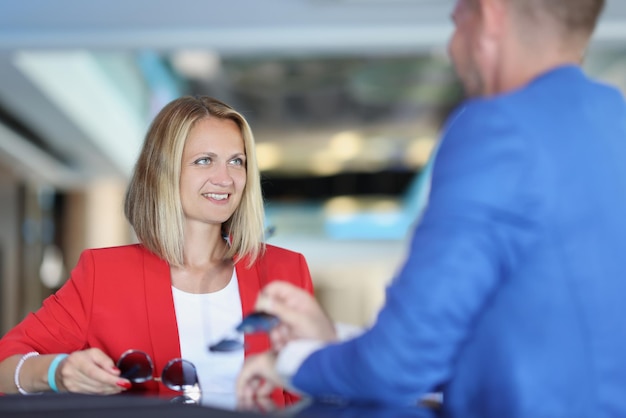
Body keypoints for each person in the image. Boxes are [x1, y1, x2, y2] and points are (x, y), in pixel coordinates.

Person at [236, 0, 626, 416]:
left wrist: (290, 363)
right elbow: (537, 350)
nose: (452, 49)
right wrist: (330, 344)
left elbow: (400, 363)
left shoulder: (497, 127)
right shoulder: (613, 120)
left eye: (456, 22)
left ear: (490, 17)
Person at [0, 96, 314, 408]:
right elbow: (4, 366)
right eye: (204, 160)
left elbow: (314, 388)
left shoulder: (285, 270)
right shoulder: (104, 274)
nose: (226, 178)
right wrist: (58, 373)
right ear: (163, 172)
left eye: (237, 161)